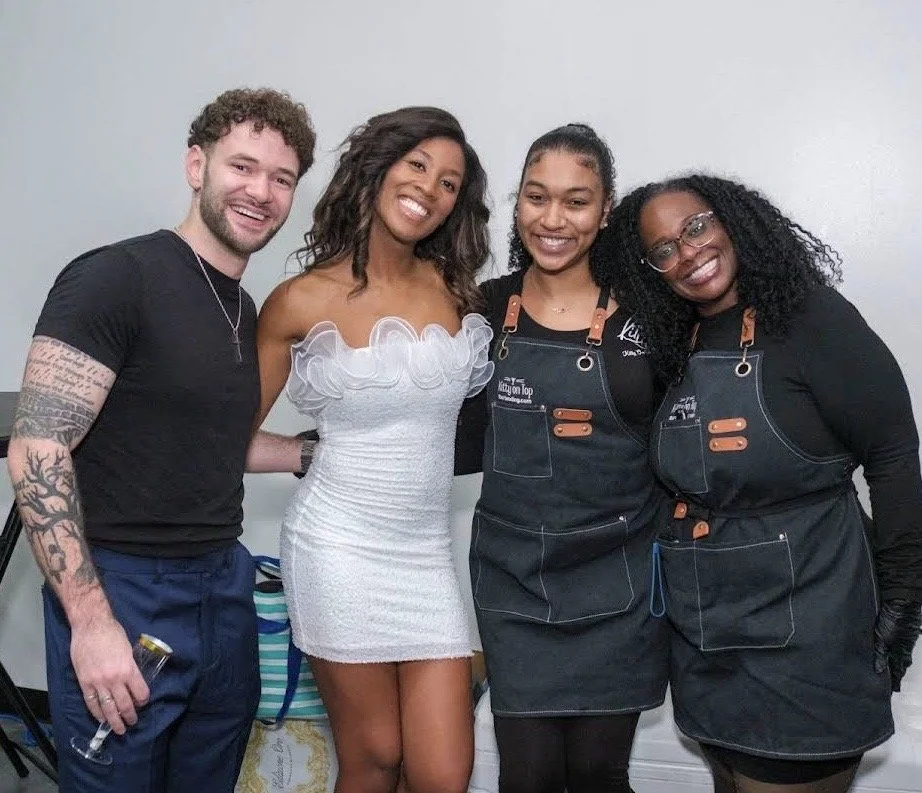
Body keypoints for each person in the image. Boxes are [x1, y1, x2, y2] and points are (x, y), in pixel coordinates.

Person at [7, 88, 316, 793]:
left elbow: (207, 439)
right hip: (125, 591)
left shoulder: (238, 305)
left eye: (281, 178)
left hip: (222, 588)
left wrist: (306, 453)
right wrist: (90, 621)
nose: (260, 192)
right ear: (195, 165)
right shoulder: (118, 277)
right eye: (242, 167)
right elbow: (38, 446)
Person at [605, 173, 922, 792]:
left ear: (732, 221)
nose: (688, 252)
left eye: (696, 227)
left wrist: (904, 606)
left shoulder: (813, 320)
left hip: (810, 633)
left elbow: (894, 458)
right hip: (706, 639)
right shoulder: (674, 341)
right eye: (664, 250)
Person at [253, 106, 492, 793]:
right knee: (375, 756)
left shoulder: (455, 289)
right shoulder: (299, 300)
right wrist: (308, 455)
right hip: (338, 546)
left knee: (445, 773)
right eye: (417, 165)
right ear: (377, 167)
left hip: (423, 552)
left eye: (450, 182)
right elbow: (230, 433)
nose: (430, 188)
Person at [454, 124, 669, 793]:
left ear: (606, 211)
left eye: (576, 202)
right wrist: (312, 450)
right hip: (515, 585)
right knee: (528, 775)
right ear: (518, 203)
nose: (553, 219)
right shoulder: (484, 309)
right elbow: (435, 434)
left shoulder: (651, 318)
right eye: (537, 197)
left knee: (600, 773)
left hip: (621, 584)